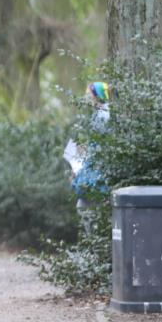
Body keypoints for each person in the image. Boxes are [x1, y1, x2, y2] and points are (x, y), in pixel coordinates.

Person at [65, 81, 111, 232]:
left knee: (87, 207)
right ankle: (94, 243)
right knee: (84, 207)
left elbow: (101, 146)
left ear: (97, 96)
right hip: (93, 169)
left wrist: (80, 162)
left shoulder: (104, 115)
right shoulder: (98, 114)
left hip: (98, 172)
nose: (85, 97)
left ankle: (96, 243)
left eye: (88, 93)